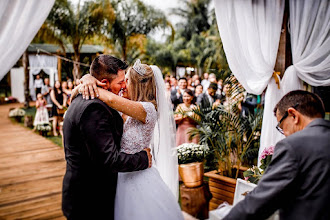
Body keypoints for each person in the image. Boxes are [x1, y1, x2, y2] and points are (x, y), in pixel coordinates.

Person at [74, 58, 183, 220]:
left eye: (127, 81)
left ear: (138, 86)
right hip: (118, 174)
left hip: (140, 177)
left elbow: (110, 99)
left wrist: (87, 84)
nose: (124, 85)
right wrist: (87, 79)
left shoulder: (148, 109)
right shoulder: (126, 105)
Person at [62, 55, 152, 220]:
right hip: (89, 198)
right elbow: (110, 160)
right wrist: (144, 158)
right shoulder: (94, 108)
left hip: (85, 192)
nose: (124, 86)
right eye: (120, 82)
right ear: (103, 83)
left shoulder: (85, 98)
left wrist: (86, 79)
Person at [223, 90, 330, 220]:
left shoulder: (293, 145)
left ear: (293, 115)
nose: (283, 133)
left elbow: (257, 204)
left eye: (281, 125)